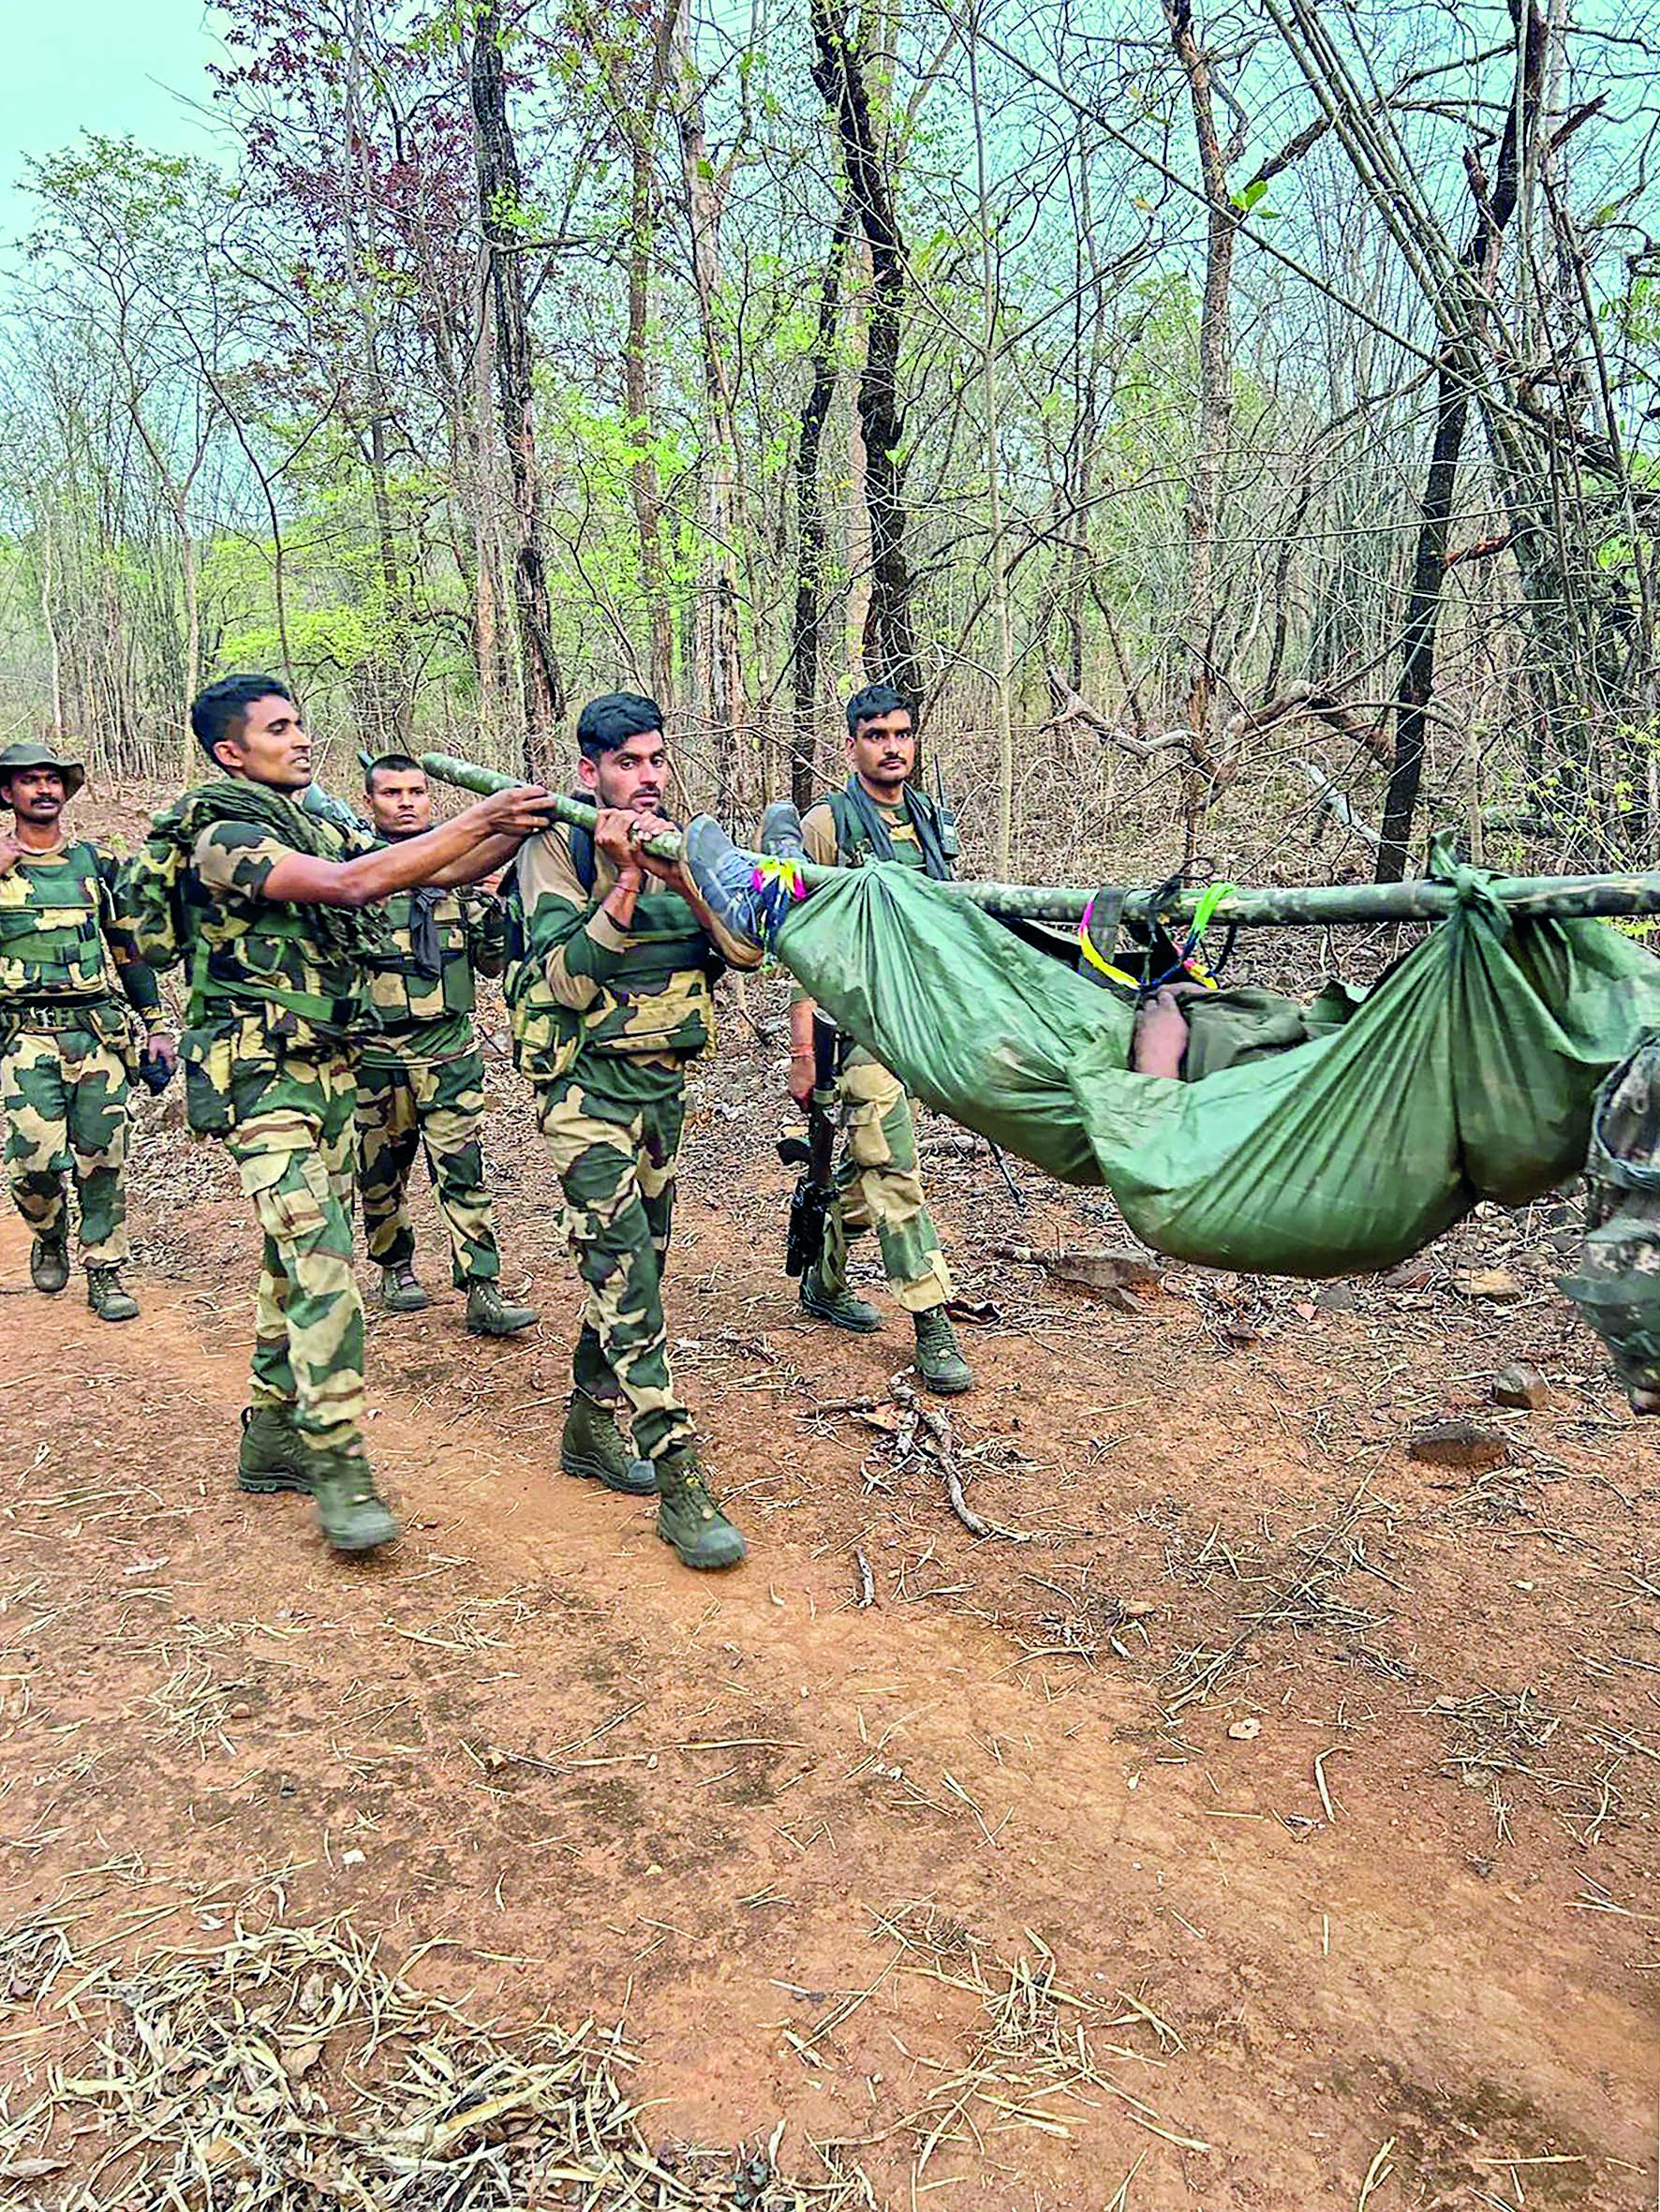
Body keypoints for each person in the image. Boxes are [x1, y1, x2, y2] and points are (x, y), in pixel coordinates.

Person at [142, 675, 552, 1554]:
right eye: (279, 728)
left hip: (328, 1065)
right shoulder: (223, 833)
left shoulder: (309, 817)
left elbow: (428, 870)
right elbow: (352, 883)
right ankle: (338, 1458)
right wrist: (478, 818)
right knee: (324, 1256)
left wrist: (512, 833)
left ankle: (268, 1433)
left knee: (290, 1256)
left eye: (301, 723)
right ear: (230, 750)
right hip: (258, 1077)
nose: (301, 739)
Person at [506, 691, 762, 1570]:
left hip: (663, 1089)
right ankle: (679, 1470)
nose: (647, 778)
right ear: (591, 770)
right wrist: (621, 879)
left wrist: (683, 872)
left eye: (657, 760)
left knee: (635, 1259)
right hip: (585, 1093)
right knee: (628, 1272)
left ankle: (587, 1422)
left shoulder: (681, 842)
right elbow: (566, 983)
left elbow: (744, 952)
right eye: (629, 763)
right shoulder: (554, 847)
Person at [783, 683, 971, 1393]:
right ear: (852, 744)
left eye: (902, 733)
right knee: (892, 1164)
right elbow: (798, 940)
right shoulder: (826, 824)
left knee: (864, 1163)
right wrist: (802, 1049)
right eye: (877, 734)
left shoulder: (931, 819)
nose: (892, 746)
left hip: (920, 1025)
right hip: (852, 1026)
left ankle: (826, 1277)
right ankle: (931, 1324)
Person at [354, 752, 538, 1337]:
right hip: (375, 1056)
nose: (405, 802)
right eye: (390, 793)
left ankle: (481, 1285)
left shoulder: (460, 872)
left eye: (415, 791)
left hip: (450, 1051)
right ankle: (395, 1264)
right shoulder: (354, 873)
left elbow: (490, 960)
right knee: (381, 1173)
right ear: (370, 802)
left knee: (462, 1170)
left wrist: (491, 903)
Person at [0, 741, 175, 1320]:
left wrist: (155, 1026)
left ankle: (106, 1269)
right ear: (9, 794)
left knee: (102, 1156)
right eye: (31, 780)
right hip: (22, 1037)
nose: (44, 789)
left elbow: (128, 951)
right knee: (33, 1161)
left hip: (95, 1029)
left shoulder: (96, 866)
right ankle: (48, 1232)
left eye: (53, 780)